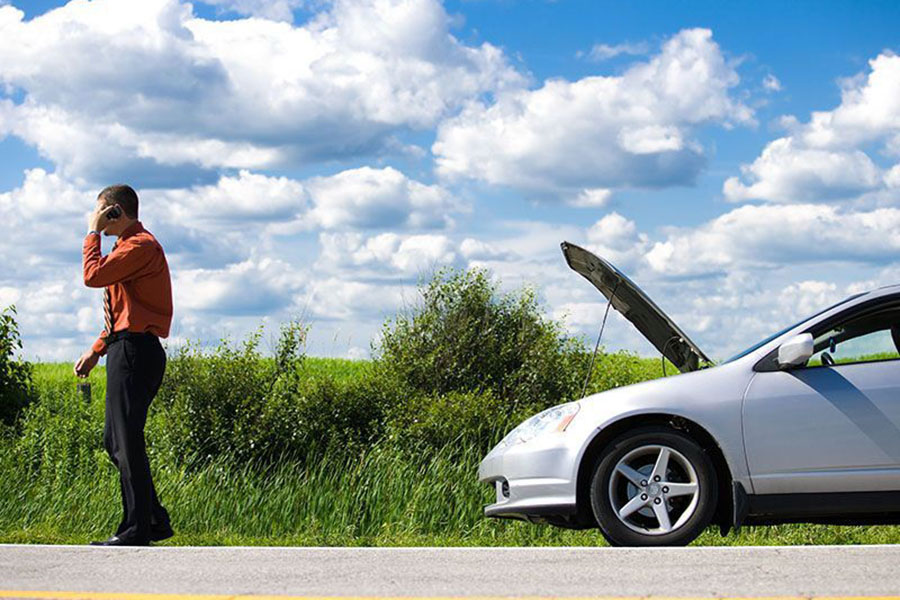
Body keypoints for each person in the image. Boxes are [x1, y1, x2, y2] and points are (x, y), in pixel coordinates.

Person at [73, 185, 174, 546]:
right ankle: (153, 519)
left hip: (135, 351)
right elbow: (121, 314)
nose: (98, 217)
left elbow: (92, 276)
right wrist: (97, 350)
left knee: (126, 441)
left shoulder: (139, 246)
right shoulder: (128, 249)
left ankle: (137, 528)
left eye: (102, 211)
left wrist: (91, 231)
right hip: (125, 347)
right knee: (115, 440)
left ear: (115, 212)